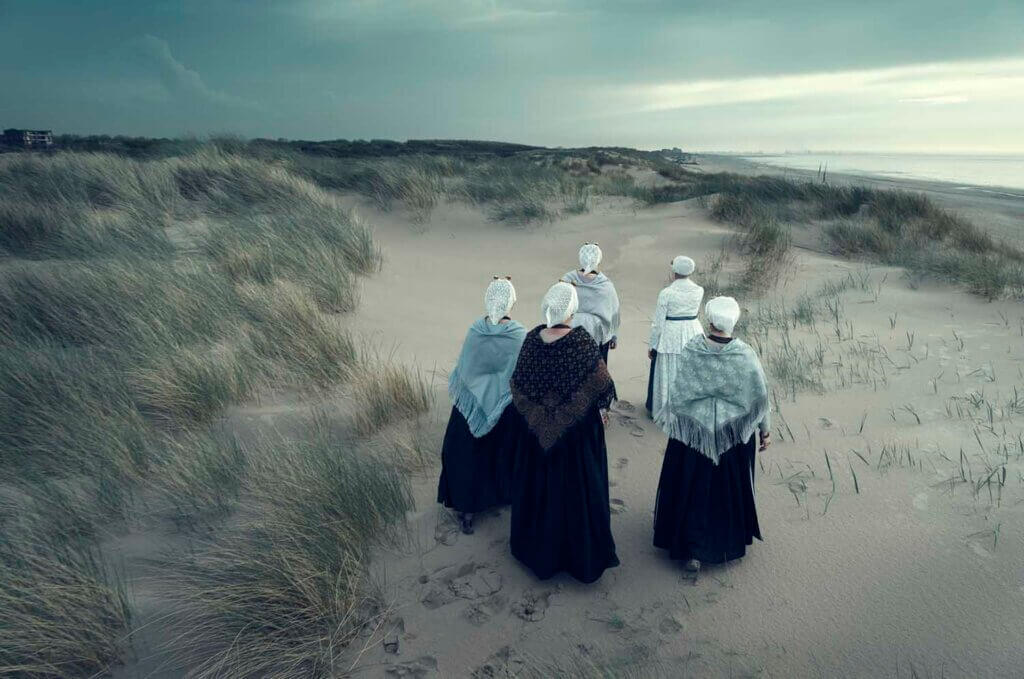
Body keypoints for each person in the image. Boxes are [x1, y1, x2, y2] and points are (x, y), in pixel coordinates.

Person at [508, 281, 620, 583]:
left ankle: (537, 550)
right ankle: (579, 555)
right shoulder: (581, 342)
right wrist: (600, 413)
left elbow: (518, 385)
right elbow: (603, 386)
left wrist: (538, 414)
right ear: (571, 310)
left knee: (539, 490)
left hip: (535, 435)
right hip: (575, 438)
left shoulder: (532, 339)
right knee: (577, 491)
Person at [652, 296, 771, 574]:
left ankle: (689, 547)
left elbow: (679, 389)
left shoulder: (692, 348)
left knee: (691, 486)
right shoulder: (745, 353)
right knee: (723, 491)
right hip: (732, 434)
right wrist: (765, 429)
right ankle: (720, 545)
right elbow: (760, 395)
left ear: (710, 319)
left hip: (693, 432)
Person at [438, 276, 527, 535]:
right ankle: (500, 494)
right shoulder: (519, 333)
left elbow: (465, 368)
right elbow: (520, 372)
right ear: (511, 302)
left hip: (471, 406)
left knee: (468, 455)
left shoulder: (476, 329)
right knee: (500, 452)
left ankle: (466, 509)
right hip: (504, 406)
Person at [646, 255, 705, 418]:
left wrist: (653, 344)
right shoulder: (699, 290)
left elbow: (658, 323)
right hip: (692, 330)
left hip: (671, 332)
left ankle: (665, 405)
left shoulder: (667, 293)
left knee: (668, 368)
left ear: (675, 271)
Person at [561, 243, 621, 365]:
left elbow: (558, 305)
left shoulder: (567, 280)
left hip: (570, 331)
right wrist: (613, 335)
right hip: (598, 334)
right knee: (597, 373)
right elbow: (614, 312)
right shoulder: (606, 285)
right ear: (598, 260)